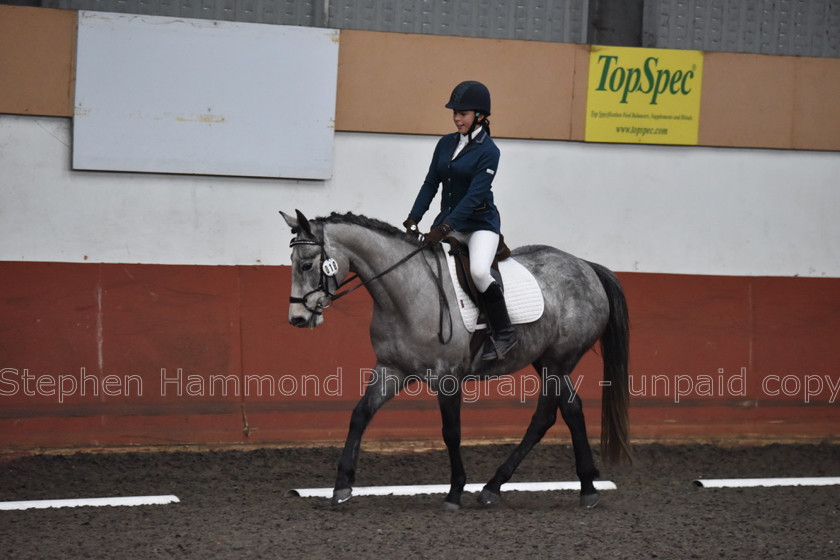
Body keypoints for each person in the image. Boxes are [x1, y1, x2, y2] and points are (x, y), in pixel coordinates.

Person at [402, 80, 518, 361]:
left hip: (480, 225)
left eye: (463, 113)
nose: (456, 118)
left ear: (479, 115)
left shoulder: (490, 151)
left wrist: (443, 229)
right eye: (454, 112)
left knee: (479, 271)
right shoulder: (445, 144)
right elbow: (431, 182)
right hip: (449, 223)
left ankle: (504, 331)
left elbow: (473, 197)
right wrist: (414, 217)